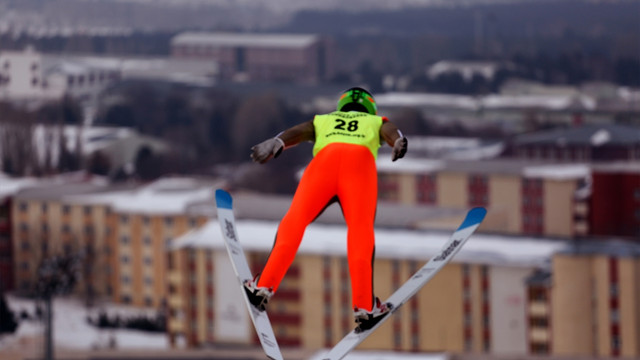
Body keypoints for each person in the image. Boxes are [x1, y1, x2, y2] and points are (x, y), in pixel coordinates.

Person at [245, 86, 408, 332]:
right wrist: (398, 141)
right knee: (360, 231)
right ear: (370, 107)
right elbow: (389, 130)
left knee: (295, 220)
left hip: (323, 166)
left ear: (341, 105)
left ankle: (262, 287)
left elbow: (299, 131)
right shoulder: (375, 121)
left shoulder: (325, 119)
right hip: (358, 168)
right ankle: (364, 307)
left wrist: (278, 141)